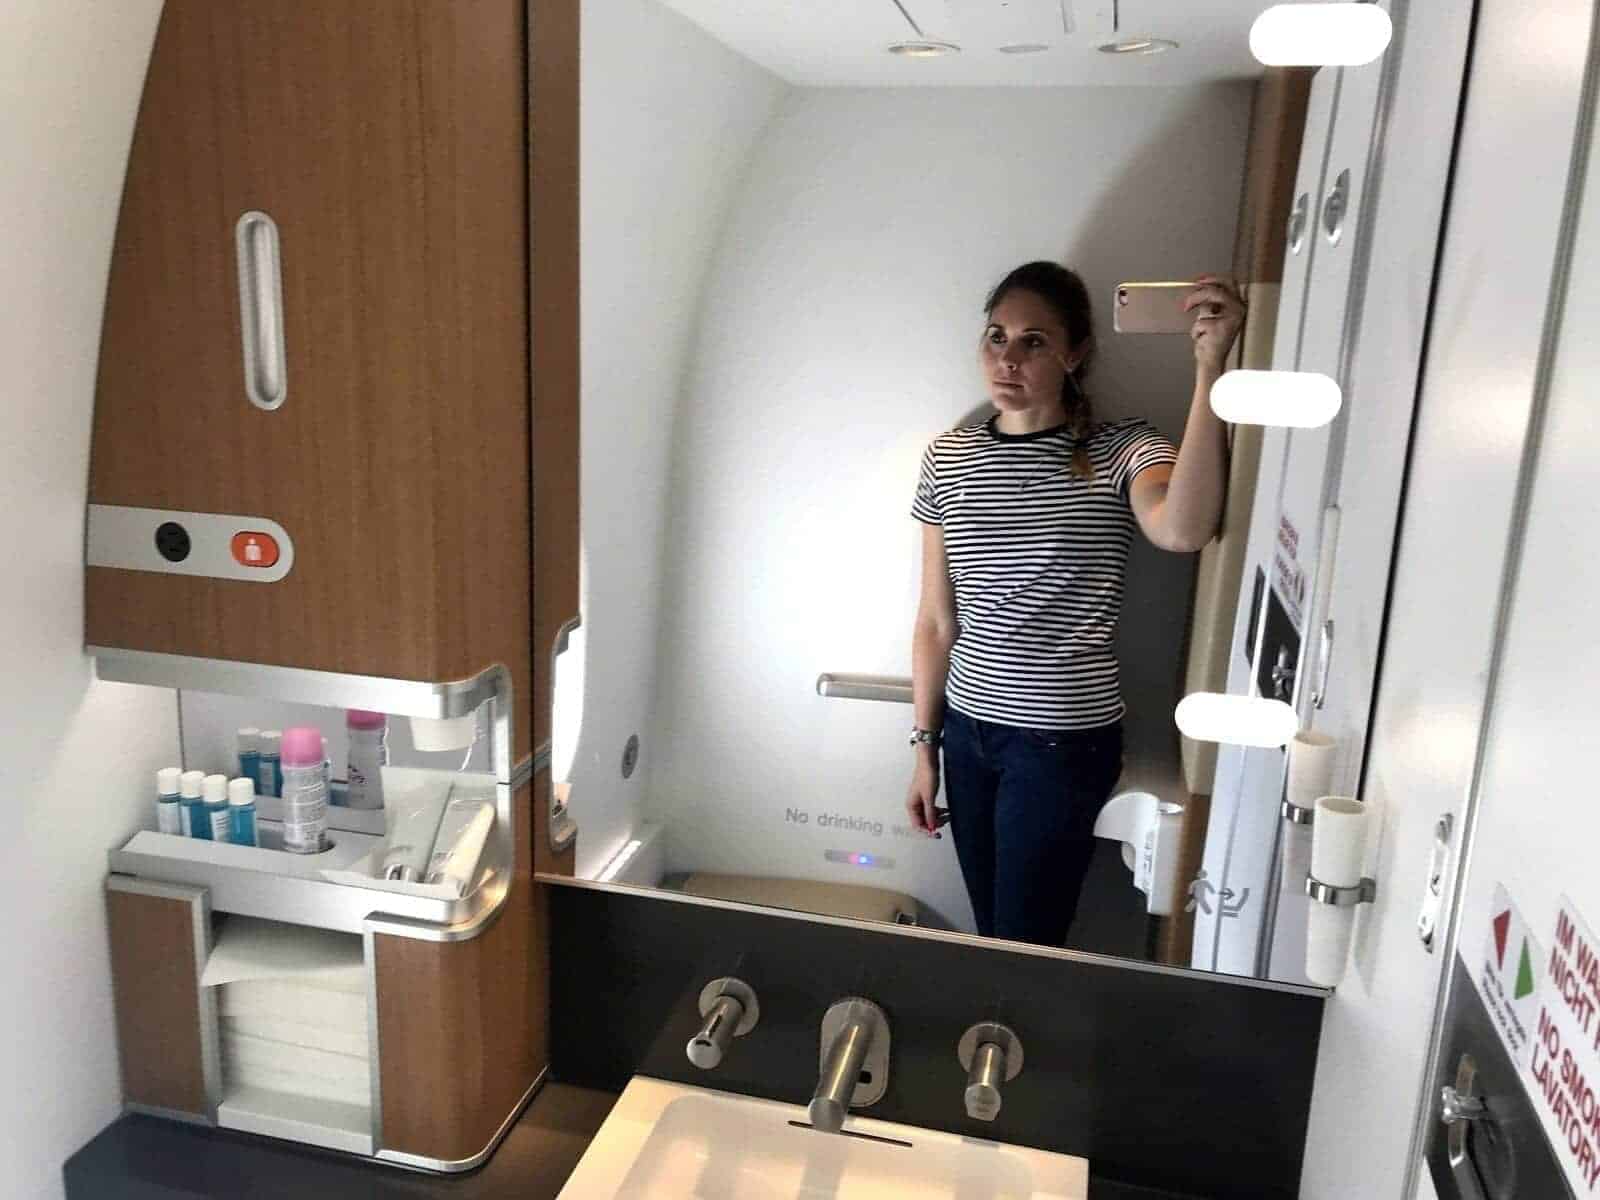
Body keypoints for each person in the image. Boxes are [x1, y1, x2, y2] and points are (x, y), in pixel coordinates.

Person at [904, 261, 1242, 946]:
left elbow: (1183, 529)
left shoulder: (1122, 448)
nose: (1008, 359)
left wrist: (1209, 371)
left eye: (1034, 341)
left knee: (1024, 943)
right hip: (967, 734)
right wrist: (925, 747)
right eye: (997, 337)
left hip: (1058, 742)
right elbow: (936, 621)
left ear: (1076, 353)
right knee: (992, 933)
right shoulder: (948, 456)